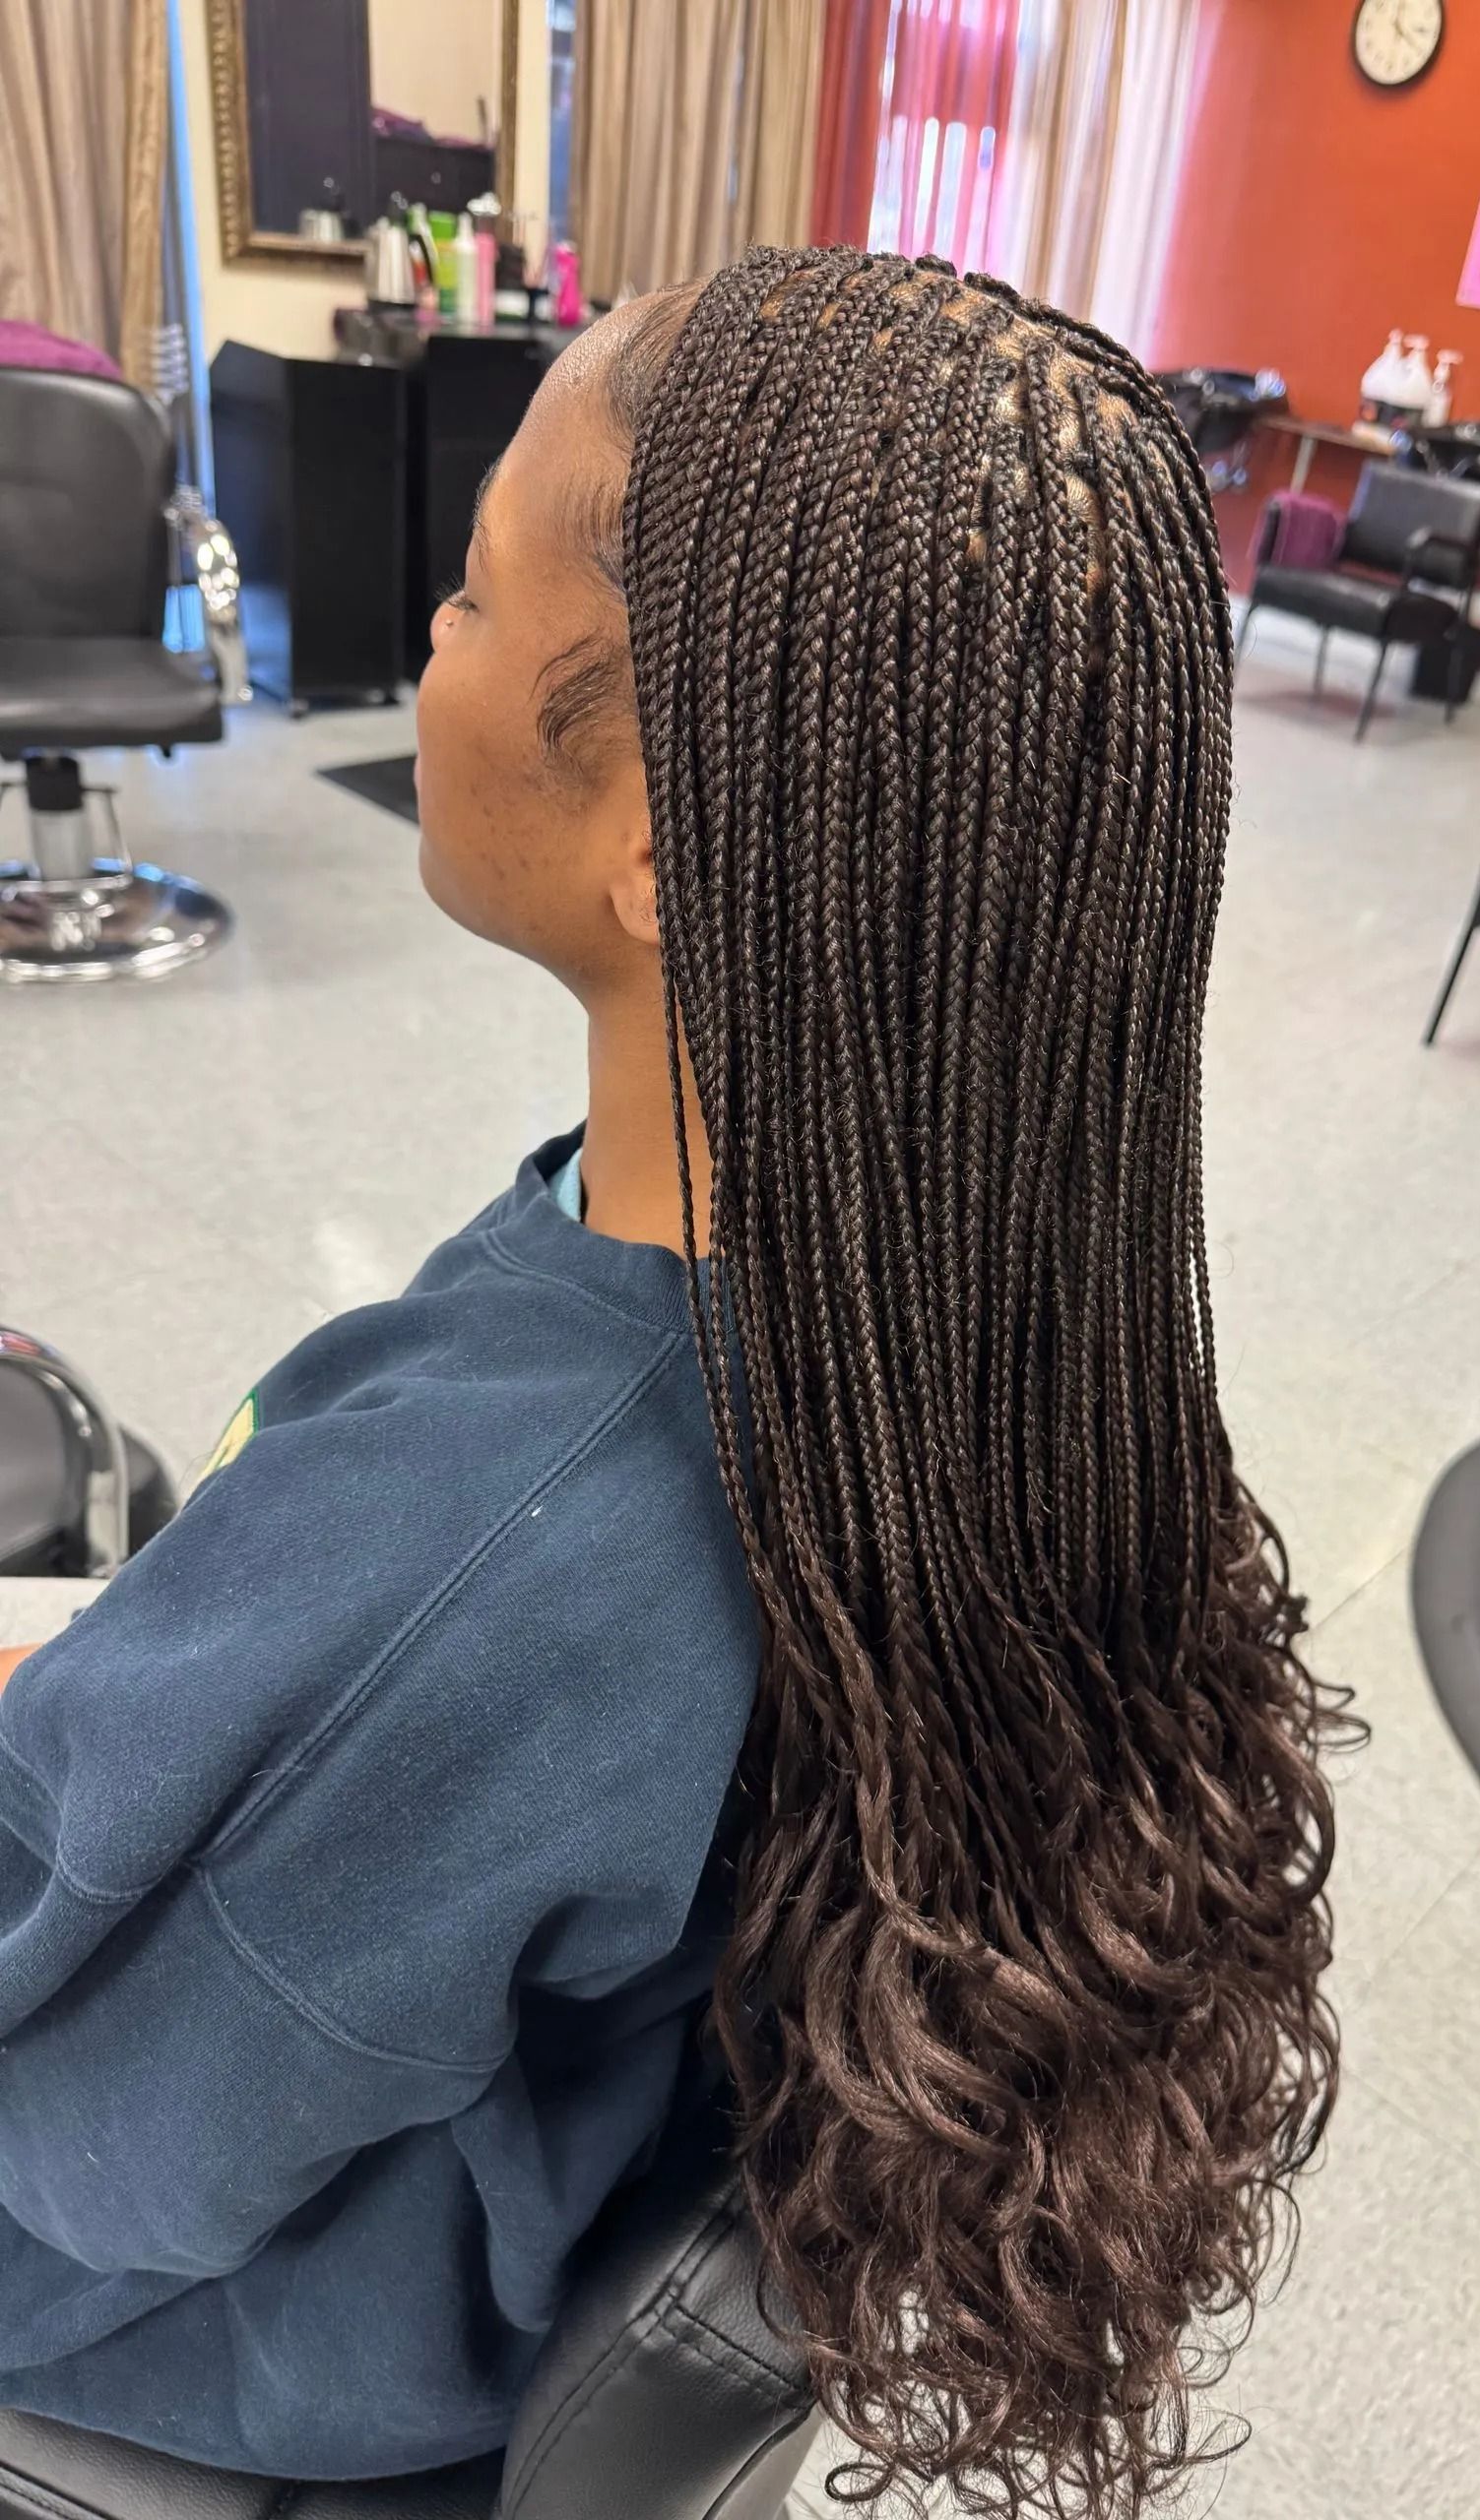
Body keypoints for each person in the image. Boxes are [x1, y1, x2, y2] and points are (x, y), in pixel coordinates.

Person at [0, 249, 1344, 2514]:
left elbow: (94, 2147)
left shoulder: (482, 1554)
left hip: (198, 2336)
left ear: (658, 841)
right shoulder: (962, 1318)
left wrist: (137, 1713)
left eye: (464, 591)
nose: (433, 643)